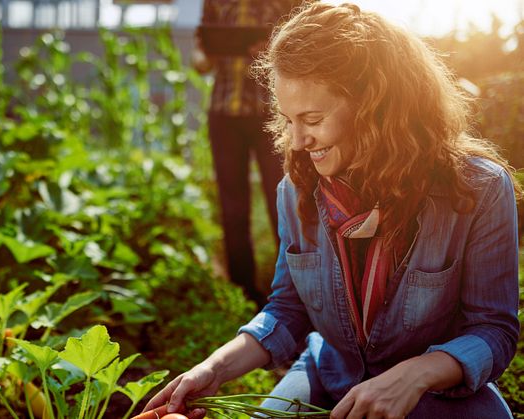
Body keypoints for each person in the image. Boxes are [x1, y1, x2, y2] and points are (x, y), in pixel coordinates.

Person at [145, 3, 520, 418]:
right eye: (288, 120)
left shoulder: (478, 190)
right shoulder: (297, 189)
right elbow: (288, 310)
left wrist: (415, 374)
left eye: (312, 119)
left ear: (375, 107)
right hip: (329, 379)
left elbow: (494, 331)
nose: (298, 141)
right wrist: (213, 368)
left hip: (435, 394)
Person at [193, 0, 302, 305]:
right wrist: (207, 55)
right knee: (232, 207)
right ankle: (243, 291)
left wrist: (272, 51)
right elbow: (200, 57)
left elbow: (309, 44)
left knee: (281, 200)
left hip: (272, 114)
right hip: (223, 113)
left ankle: (292, 290)